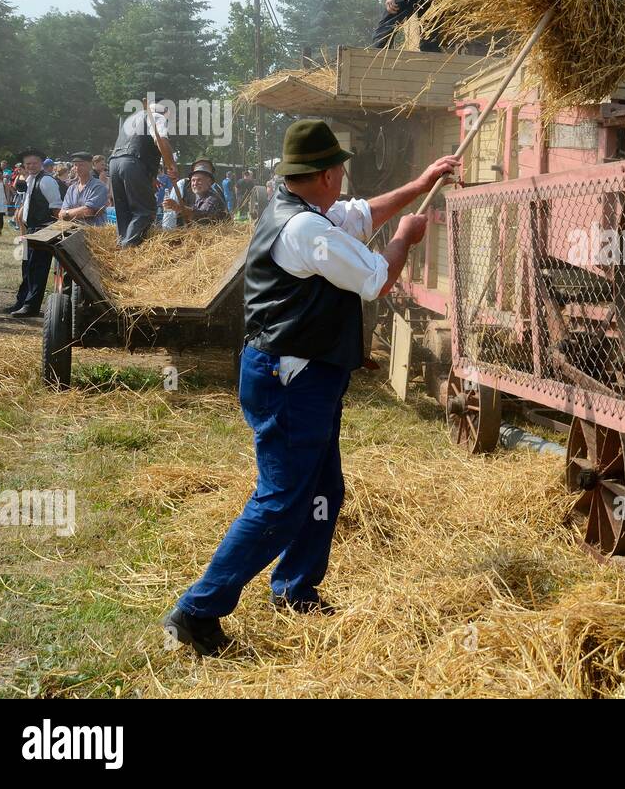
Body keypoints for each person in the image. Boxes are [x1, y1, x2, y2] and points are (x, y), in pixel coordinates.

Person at [162, 119, 459, 654]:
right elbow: (376, 279)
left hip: (308, 375)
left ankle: (296, 589)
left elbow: (364, 212)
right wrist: (404, 240)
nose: (346, 174)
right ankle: (196, 609)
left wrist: (421, 184)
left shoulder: (311, 212)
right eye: (340, 167)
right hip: (289, 379)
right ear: (325, 175)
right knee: (280, 502)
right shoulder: (305, 231)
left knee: (322, 492)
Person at [109, 99, 176, 247]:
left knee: (124, 211)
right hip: (133, 164)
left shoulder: (131, 119)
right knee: (145, 211)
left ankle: (121, 246)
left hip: (114, 163)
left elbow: (137, 144)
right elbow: (161, 141)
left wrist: (150, 176)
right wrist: (171, 165)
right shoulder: (157, 117)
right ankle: (128, 250)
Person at [4, 149, 62, 318]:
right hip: (31, 229)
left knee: (38, 268)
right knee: (27, 266)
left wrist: (50, 231)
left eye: (34, 163)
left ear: (41, 163)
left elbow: (56, 208)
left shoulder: (47, 181)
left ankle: (32, 306)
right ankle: (22, 301)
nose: (31, 166)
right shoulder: (30, 179)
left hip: (43, 230)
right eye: (27, 164)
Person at [162, 160, 229, 226]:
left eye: (199, 180)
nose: (195, 184)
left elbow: (202, 217)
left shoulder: (213, 198)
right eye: (193, 180)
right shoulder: (184, 186)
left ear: (209, 182)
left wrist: (178, 208)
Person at [58, 152, 110, 226]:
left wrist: (67, 213)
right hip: (73, 232)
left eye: (81, 165)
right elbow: (60, 214)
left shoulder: (98, 186)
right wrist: (73, 212)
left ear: (90, 166)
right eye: (75, 165)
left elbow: (87, 211)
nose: (77, 168)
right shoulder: (71, 189)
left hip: (94, 233)